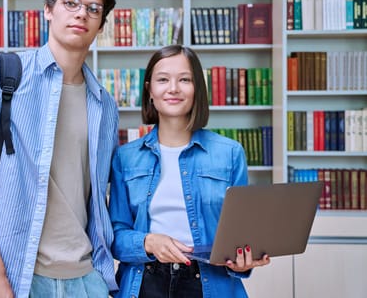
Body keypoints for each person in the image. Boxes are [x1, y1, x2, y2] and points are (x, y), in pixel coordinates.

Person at [0, 0, 118, 298]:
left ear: (101, 25)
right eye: (70, 2)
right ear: (48, 9)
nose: (81, 13)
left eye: (93, 8)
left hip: (88, 278)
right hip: (17, 276)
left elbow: (97, 196)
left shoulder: (105, 105)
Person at [108, 45, 271, 298]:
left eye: (184, 79)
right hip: (144, 284)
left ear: (197, 90)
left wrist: (243, 261)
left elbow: (240, 235)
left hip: (209, 284)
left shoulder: (230, 153)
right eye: (163, 80)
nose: (173, 88)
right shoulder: (125, 157)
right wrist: (149, 242)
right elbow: (115, 236)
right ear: (150, 90)